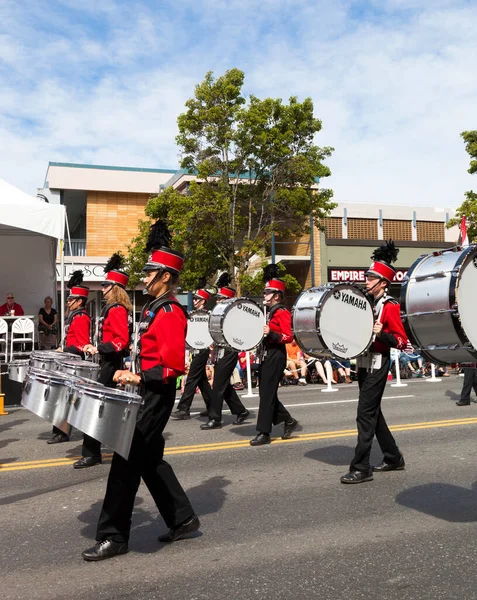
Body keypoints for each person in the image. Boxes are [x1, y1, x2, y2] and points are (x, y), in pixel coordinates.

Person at [82, 220, 199, 562]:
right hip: (145, 392)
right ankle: (183, 517)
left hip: (156, 395)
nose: (144, 277)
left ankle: (114, 536)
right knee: (149, 461)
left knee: (124, 463)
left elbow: (172, 365)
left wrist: (139, 378)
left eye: (150, 272)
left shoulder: (171, 311)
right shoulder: (152, 308)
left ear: (165, 276)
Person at [341, 240, 408, 484]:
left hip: (378, 364)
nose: (366, 281)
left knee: (364, 415)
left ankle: (361, 467)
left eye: (371, 278)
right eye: (367, 277)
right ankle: (392, 457)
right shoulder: (367, 303)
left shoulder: (390, 307)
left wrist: (383, 334)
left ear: (383, 282)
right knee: (373, 413)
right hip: (362, 363)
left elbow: (402, 342)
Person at [76, 254, 132, 469]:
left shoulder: (117, 309)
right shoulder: (112, 308)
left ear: (114, 288)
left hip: (111, 362)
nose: (102, 289)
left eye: (105, 285)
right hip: (106, 361)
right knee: (107, 409)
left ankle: (92, 453)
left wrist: (98, 347)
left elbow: (121, 341)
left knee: (96, 407)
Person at [250, 264, 298, 446]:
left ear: (276, 295)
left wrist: (271, 333)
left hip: (276, 355)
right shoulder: (269, 312)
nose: (264, 295)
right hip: (266, 354)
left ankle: (264, 432)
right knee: (265, 393)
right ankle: (288, 420)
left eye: (267, 292)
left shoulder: (282, 312)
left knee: (267, 394)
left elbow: (288, 336)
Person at [200, 273, 250, 430]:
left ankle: (215, 418)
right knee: (223, 385)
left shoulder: (235, 316)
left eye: (221, 298)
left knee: (218, 385)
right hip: (221, 351)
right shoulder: (220, 314)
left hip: (229, 351)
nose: (217, 300)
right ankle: (241, 411)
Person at [48, 271, 91, 445]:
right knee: (64, 397)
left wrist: (64, 350)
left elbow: (83, 344)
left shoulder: (81, 317)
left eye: (70, 300)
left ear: (79, 301)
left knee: (67, 397)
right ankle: (60, 430)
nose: (68, 302)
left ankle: (64, 432)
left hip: (74, 361)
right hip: (67, 359)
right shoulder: (73, 316)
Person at [172, 278, 215, 420]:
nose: (195, 301)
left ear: (203, 301)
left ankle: (184, 409)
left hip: (203, 349)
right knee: (202, 381)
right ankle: (212, 407)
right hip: (195, 348)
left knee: (191, 378)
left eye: (197, 299)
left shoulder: (207, 315)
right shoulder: (193, 314)